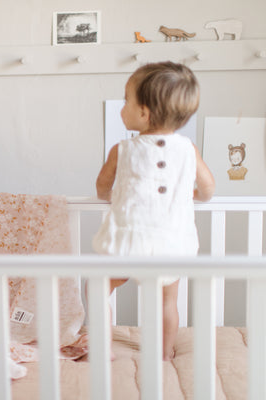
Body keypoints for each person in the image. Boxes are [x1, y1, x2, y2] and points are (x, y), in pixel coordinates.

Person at [92, 61, 215, 361]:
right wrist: (190, 194)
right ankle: (164, 353)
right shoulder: (188, 150)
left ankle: (102, 348)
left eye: (126, 101)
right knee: (166, 302)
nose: (123, 107)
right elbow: (209, 190)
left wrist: (116, 196)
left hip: (127, 242)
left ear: (144, 113)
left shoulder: (122, 150)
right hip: (171, 243)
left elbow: (101, 188)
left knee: (98, 288)